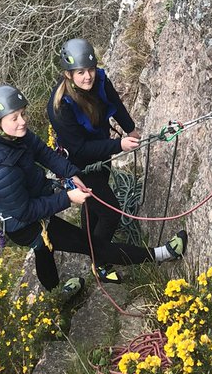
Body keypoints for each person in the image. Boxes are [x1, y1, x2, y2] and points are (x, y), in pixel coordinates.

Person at [0, 83, 185, 298]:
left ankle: (53, 297)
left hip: (31, 202)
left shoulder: (12, 137)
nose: (22, 121)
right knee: (91, 245)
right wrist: (68, 197)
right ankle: (162, 254)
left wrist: (71, 173)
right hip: (24, 224)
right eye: (14, 118)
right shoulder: (1, 170)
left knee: (43, 249)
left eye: (23, 114)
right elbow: (25, 212)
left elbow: (43, 152)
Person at [48, 38, 178, 283]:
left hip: (100, 154)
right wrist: (119, 145)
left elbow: (114, 103)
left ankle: (91, 243)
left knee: (93, 207)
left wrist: (130, 128)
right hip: (79, 166)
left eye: (90, 69)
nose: (88, 76)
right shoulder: (60, 107)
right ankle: (99, 261)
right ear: (68, 74)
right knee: (110, 214)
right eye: (80, 72)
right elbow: (79, 148)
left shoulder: (100, 80)